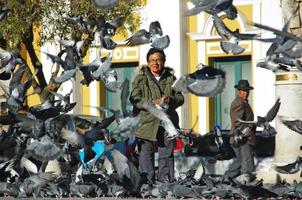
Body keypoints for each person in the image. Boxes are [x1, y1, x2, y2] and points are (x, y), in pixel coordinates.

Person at [129, 48, 184, 183]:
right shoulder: (140, 79)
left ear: (164, 61)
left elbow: (181, 98)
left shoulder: (172, 78)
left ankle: (165, 183)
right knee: (145, 154)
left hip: (167, 122)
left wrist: (171, 100)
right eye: (152, 60)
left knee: (166, 154)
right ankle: (146, 183)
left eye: (158, 60)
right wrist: (153, 102)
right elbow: (134, 99)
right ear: (148, 63)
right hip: (146, 122)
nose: (155, 63)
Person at [224, 79, 256, 182]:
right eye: (243, 91)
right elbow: (237, 122)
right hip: (241, 138)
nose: (246, 93)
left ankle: (226, 179)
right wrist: (247, 129)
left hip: (241, 137)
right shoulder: (238, 103)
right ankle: (245, 183)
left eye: (247, 91)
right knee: (246, 161)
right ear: (239, 91)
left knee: (240, 160)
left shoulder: (243, 102)